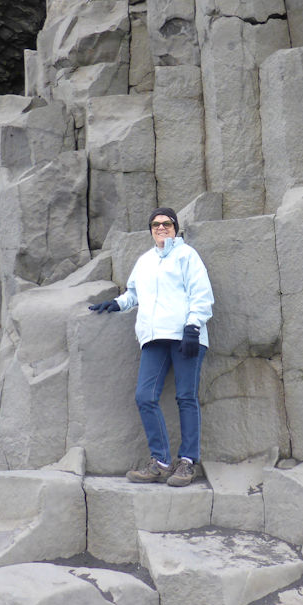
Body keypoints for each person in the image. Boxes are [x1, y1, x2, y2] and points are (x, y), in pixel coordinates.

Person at [89, 207, 214, 487]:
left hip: (185, 335)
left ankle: (187, 462)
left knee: (186, 397)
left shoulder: (187, 255)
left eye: (166, 224)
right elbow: (134, 293)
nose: (161, 228)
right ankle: (159, 462)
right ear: (150, 229)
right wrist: (117, 303)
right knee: (145, 396)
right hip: (154, 337)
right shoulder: (145, 261)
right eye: (155, 224)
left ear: (175, 227)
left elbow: (201, 293)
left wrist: (193, 326)